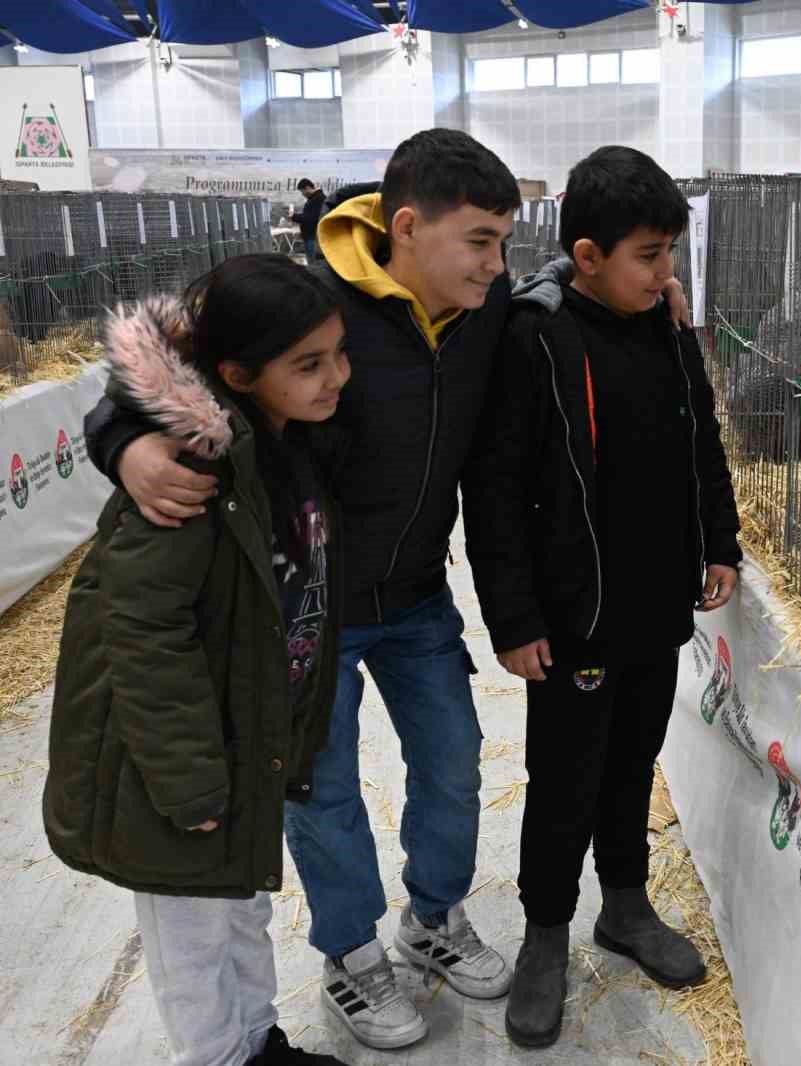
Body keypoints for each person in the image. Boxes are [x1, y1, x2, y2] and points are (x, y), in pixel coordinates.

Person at [80, 130, 695, 1052]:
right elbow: (160, 371)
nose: (499, 261)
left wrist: (653, 309)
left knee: (451, 766)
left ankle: (435, 918)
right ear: (407, 228)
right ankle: (350, 952)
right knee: (322, 793)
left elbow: (561, 304)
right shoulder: (306, 300)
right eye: (481, 241)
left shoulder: (489, 308)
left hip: (413, 596)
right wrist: (121, 441)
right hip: (306, 609)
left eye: (505, 241)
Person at [461, 145, 741, 1050]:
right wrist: (514, 617)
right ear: (587, 257)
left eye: (671, 255)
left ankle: (625, 905)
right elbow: (495, 489)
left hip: (655, 606)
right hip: (573, 618)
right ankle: (547, 934)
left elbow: (703, 438)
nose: (666, 276)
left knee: (633, 766)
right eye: (649, 257)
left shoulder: (664, 325)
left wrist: (721, 542)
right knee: (564, 783)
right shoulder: (536, 335)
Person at [44, 254, 352, 1066]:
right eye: (310, 365)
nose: (336, 379)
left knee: (241, 908)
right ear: (237, 374)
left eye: (339, 354)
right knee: (191, 940)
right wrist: (186, 780)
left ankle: (258, 1042)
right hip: (179, 762)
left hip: (243, 736)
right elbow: (140, 627)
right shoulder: (190, 472)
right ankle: (217, 1055)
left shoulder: (283, 445)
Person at [292, 179, 327, 263]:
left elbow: (311, 219)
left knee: (314, 264)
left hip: (313, 237)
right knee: (312, 262)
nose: (302, 194)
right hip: (311, 237)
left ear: (307, 188)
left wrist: (294, 216)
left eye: (302, 191)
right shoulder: (314, 198)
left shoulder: (318, 199)